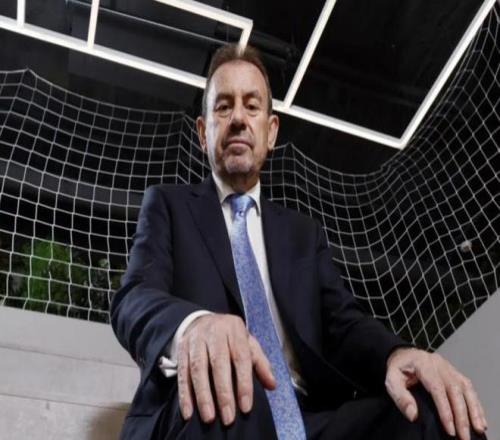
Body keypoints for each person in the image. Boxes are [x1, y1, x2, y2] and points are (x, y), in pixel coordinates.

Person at [111, 44, 488, 440]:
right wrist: (194, 325)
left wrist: (398, 354)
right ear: (203, 133)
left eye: (251, 106)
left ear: (271, 131)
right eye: (223, 107)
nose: (238, 118)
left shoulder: (304, 235)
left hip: (307, 420)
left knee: (432, 412)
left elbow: (344, 323)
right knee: (235, 384)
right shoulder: (168, 206)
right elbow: (134, 298)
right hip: (215, 410)